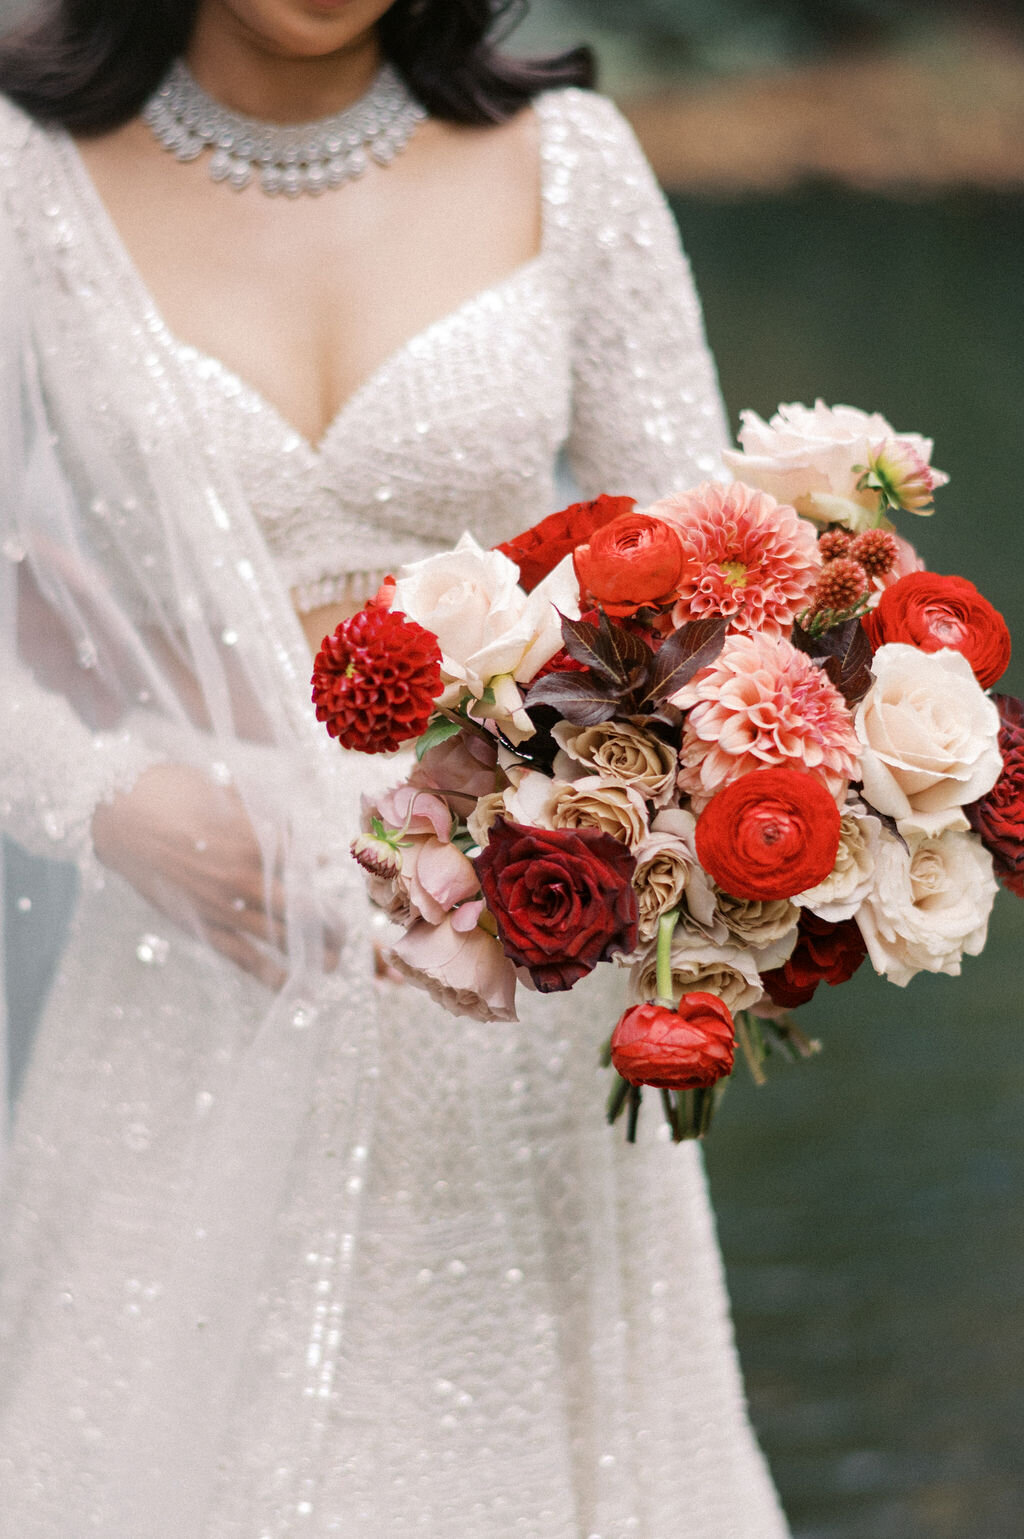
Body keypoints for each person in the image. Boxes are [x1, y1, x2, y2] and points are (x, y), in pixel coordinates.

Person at [0, 1, 790, 1534]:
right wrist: (107, 801)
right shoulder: (26, 179)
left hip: (523, 959)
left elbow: (719, 592)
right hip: (198, 953)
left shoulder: (572, 163)